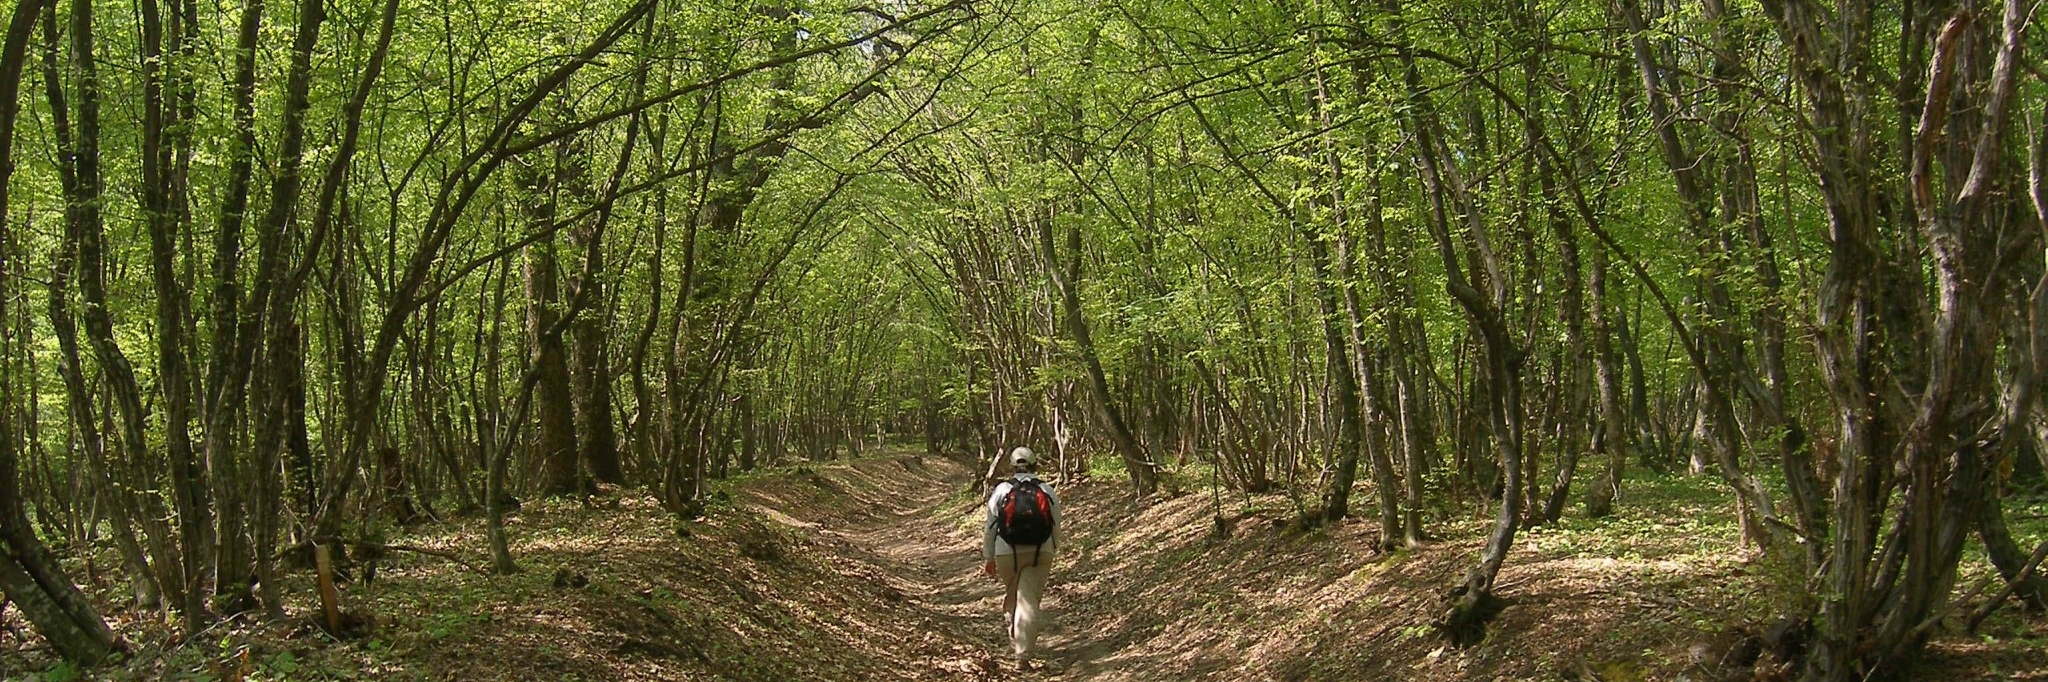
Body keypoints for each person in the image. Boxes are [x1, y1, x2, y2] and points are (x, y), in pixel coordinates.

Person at [981, 446, 1060, 660]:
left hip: (1006, 552)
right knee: (1029, 600)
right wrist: (1053, 549)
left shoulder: (1002, 490)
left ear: (1013, 467)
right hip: (1040, 551)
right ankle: (1022, 654)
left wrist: (988, 557)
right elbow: (1055, 525)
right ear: (1035, 465)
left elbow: (990, 526)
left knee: (1013, 594)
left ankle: (1015, 637)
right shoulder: (1046, 490)